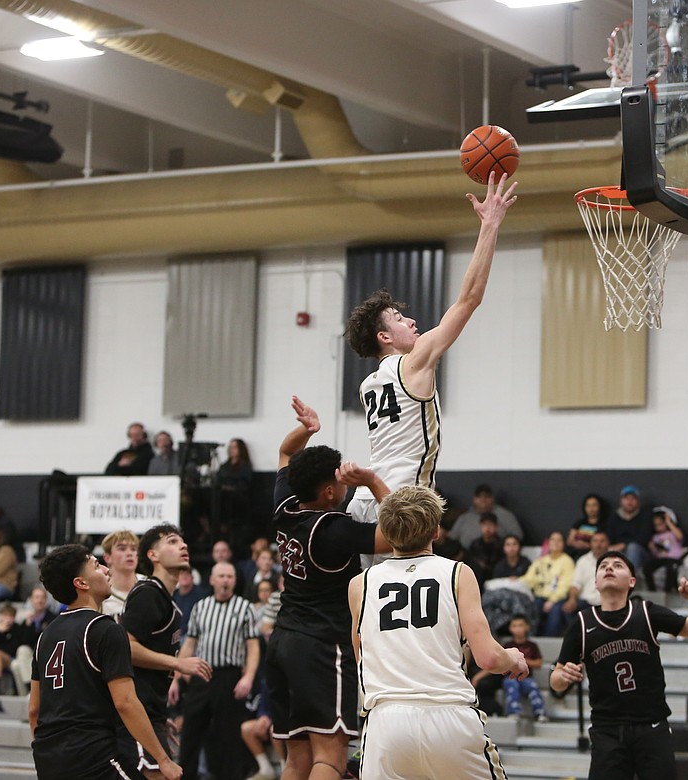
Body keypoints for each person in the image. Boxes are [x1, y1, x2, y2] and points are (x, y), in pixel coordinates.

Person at [344, 173, 519, 558]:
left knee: (370, 603)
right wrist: (489, 226)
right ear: (384, 337)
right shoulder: (415, 361)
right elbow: (469, 299)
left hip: (363, 503)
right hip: (401, 501)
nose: (411, 322)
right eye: (399, 319)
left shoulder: (368, 385)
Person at [348, 484, 528, 779]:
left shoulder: (359, 584)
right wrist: (512, 658)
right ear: (435, 532)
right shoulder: (457, 572)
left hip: (386, 724)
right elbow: (489, 658)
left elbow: (361, 657)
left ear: (385, 532)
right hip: (449, 715)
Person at [267, 395, 392, 780]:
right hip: (322, 644)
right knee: (331, 757)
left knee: (297, 760)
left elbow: (287, 451)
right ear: (328, 493)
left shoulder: (285, 505)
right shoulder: (331, 528)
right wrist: (371, 482)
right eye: (338, 478)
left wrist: (307, 430)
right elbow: (398, 534)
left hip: (284, 639)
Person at [550, 551, 688, 780]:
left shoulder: (647, 612)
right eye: (603, 566)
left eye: (617, 565)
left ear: (632, 581)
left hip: (652, 725)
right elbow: (555, 682)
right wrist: (562, 676)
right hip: (607, 729)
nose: (609, 568)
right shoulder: (581, 623)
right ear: (595, 582)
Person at [29, 543, 181, 780]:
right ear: (82, 583)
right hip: (92, 756)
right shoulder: (105, 629)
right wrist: (163, 759)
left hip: (48, 761)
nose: (106, 570)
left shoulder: (45, 637)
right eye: (96, 565)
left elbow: (34, 710)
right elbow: (126, 703)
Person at [119, 523, 213, 777]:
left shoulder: (168, 602)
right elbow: (126, 648)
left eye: (182, 542)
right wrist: (177, 663)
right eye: (172, 541)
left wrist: (160, 717)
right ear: (153, 555)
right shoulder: (148, 593)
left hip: (152, 714)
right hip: (136, 716)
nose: (183, 545)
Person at [170, 561, 261, 780]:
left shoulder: (244, 607)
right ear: (211, 580)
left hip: (229, 675)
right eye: (221, 576)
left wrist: (248, 677)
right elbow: (189, 644)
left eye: (229, 576)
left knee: (228, 736)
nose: (225, 580)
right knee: (191, 730)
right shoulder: (201, 606)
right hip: (201, 673)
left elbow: (253, 646)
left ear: (235, 580)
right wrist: (175, 678)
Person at [521, 531, 575, 636]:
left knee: (555, 609)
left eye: (559, 540)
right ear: (548, 543)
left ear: (563, 544)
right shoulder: (540, 561)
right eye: (553, 540)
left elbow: (565, 585)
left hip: (558, 598)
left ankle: (548, 640)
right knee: (532, 605)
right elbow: (529, 579)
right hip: (539, 597)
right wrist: (516, 581)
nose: (555, 542)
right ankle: (529, 637)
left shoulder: (567, 561)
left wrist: (552, 600)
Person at [559, 530, 610, 630]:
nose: (598, 544)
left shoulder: (616, 560)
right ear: (590, 544)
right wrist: (572, 599)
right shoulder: (583, 561)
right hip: (586, 603)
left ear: (608, 543)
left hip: (607, 603)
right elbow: (575, 584)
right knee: (566, 609)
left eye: (602, 541)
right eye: (595, 541)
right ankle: (579, 637)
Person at [500, 614, 548, 720]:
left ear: (527, 627)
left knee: (533, 686)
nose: (517, 629)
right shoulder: (507, 645)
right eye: (514, 626)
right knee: (511, 685)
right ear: (510, 628)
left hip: (527, 677)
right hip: (510, 676)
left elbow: (539, 663)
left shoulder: (532, 645)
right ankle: (513, 711)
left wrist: (523, 661)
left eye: (520, 625)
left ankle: (540, 712)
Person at [605, 485, 653, 575]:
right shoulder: (614, 517)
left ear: (638, 501)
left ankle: (628, 579)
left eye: (633, 499)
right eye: (626, 499)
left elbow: (644, 537)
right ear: (621, 501)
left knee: (632, 548)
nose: (629, 502)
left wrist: (624, 545)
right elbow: (609, 536)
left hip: (641, 553)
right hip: (618, 550)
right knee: (609, 551)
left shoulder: (645, 516)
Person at [100, 529, 146, 619]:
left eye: (133, 549)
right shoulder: (99, 592)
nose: (130, 553)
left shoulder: (149, 586)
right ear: (107, 557)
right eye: (122, 548)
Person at [642, 506, 686, 590]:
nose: (659, 527)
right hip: (661, 559)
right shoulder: (655, 537)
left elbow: (680, 536)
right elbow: (655, 553)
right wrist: (652, 547)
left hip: (673, 559)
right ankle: (652, 590)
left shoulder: (672, 533)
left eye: (661, 524)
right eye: (656, 525)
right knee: (647, 568)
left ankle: (668, 591)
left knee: (670, 569)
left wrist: (669, 522)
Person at [465, 513, 504, 586]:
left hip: (495, 579)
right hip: (476, 579)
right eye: (484, 525)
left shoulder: (502, 544)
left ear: (496, 526)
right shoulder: (475, 544)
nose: (487, 528)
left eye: (490, 525)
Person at [566, 493, 606, 558]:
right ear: (585, 508)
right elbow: (570, 541)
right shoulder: (579, 523)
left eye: (594, 505)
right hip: (575, 554)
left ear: (599, 506)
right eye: (588, 505)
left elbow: (604, 543)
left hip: (593, 555)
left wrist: (588, 545)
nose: (591, 508)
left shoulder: (604, 525)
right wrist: (578, 544)